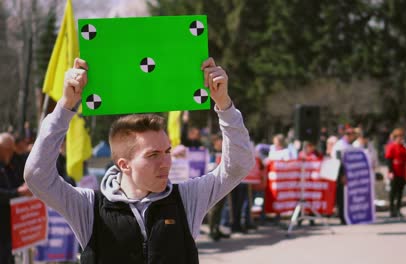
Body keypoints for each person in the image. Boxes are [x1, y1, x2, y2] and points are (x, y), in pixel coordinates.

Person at [24, 57, 254, 263]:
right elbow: (37, 176)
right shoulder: (88, 207)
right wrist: (65, 107)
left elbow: (238, 166)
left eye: (167, 152)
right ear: (124, 165)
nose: (166, 163)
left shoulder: (186, 198)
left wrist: (224, 104)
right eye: (153, 155)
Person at [0, 133, 32, 264]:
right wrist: (17, 192)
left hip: (8, 224)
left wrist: (23, 188)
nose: (11, 154)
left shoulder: (8, 164)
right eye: (8, 150)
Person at [385, 128, 406, 218]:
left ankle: (398, 209)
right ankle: (392, 210)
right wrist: (390, 171)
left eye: (402, 137)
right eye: (399, 137)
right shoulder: (391, 146)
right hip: (394, 171)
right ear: (395, 137)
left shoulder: (403, 147)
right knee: (393, 192)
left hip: (402, 171)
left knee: (400, 192)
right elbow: (389, 160)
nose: (401, 138)